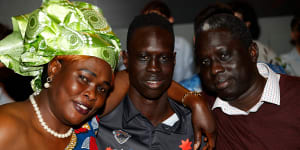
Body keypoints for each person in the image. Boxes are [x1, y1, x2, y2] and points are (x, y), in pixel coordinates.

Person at [0, 0, 122, 149]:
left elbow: (133, 76)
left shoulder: (86, 126)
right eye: (84, 78)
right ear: (54, 68)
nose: (92, 94)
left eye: (102, 89)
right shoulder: (6, 126)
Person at [96, 13, 215, 150]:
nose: (154, 68)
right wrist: (194, 100)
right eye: (144, 57)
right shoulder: (101, 119)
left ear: (174, 60)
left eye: (164, 58)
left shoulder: (194, 126)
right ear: (126, 59)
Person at [194, 13, 300, 149]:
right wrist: (192, 101)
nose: (214, 69)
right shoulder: (206, 107)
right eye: (205, 61)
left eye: (224, 56)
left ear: (252, 52)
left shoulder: (295, 96)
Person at [141, 0, 196, 82]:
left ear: (170, 20)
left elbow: (188, 80)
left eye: (158, 19)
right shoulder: (138, 45)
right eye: (147, 20)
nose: (153, 25)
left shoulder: (182, 45)